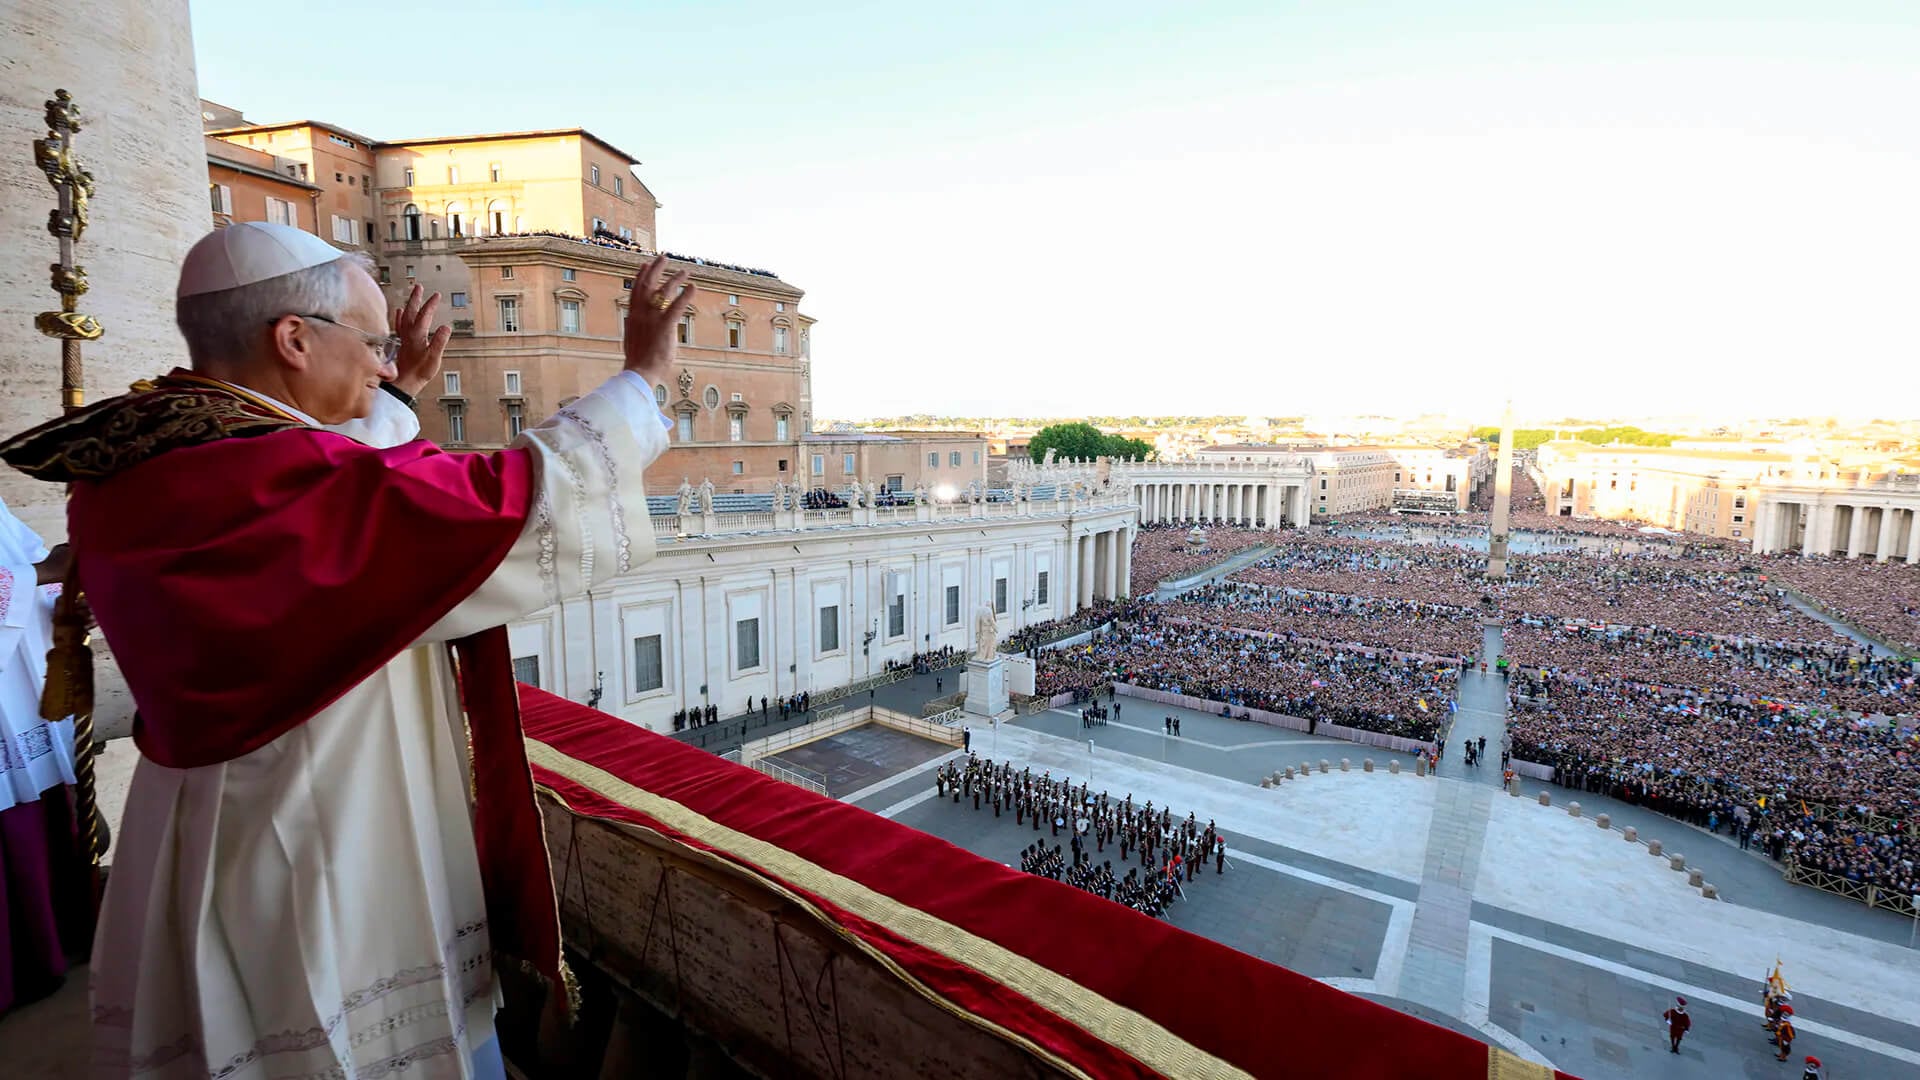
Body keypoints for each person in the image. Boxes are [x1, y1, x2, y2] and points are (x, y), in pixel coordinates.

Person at [0, 223, 689, 1078]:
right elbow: (500, 504)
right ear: (293, 339)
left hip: (217, 813)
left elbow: (349, 479)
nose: (383, 366)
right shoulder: (266, 478)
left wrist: (391, 397)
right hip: (310, 829)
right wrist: (641, 380)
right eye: (372, 344)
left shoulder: (160, 451)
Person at [0, 499, 85, 1017]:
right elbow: (39, 565)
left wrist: (63, 599)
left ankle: (49, 950)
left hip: (20, 690)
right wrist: (45, 573)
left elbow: (29, 558)